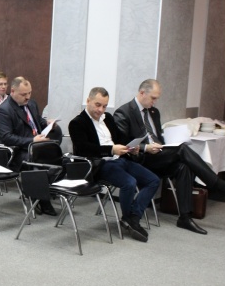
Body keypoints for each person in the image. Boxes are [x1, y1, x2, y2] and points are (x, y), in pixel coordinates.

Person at [113, 79, 225, 235]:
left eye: (157, 98)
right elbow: (123, 145)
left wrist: (167, 143)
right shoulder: (124, 112)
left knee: (184, 166)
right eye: (153, 98)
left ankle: (185, 217)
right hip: (140, 159)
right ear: (142, 93)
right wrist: (146, 147)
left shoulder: (154, 112)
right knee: (182, 150)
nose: (155, 102)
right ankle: (217, 184)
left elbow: (158, 136)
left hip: (158, 155)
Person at [68, 87, 160, 242]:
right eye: (97, 105)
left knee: (153, 180)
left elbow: (119, 138)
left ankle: (133, 218)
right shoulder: (77, 123)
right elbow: (84, 149)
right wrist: (111, 150)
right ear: (88, 101)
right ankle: (128, 218)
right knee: (129, 183)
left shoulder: (108, 118)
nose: (101, 110)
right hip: (100, 164)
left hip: (120, 159)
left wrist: (132, 146)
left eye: (104, 106)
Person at [0, 76, 62, 216]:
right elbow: (6, 138)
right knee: (40, 165)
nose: (28, 97)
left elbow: (37, 122)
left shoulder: (31, 104)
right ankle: (42, 200)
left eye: (29, 93)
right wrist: (32, 140)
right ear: (13, 91)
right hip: (18, 152)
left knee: (61, 161)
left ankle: (37, 192)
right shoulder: (4, 110)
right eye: (24, 94)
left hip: (38, 147)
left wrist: (47, 123)